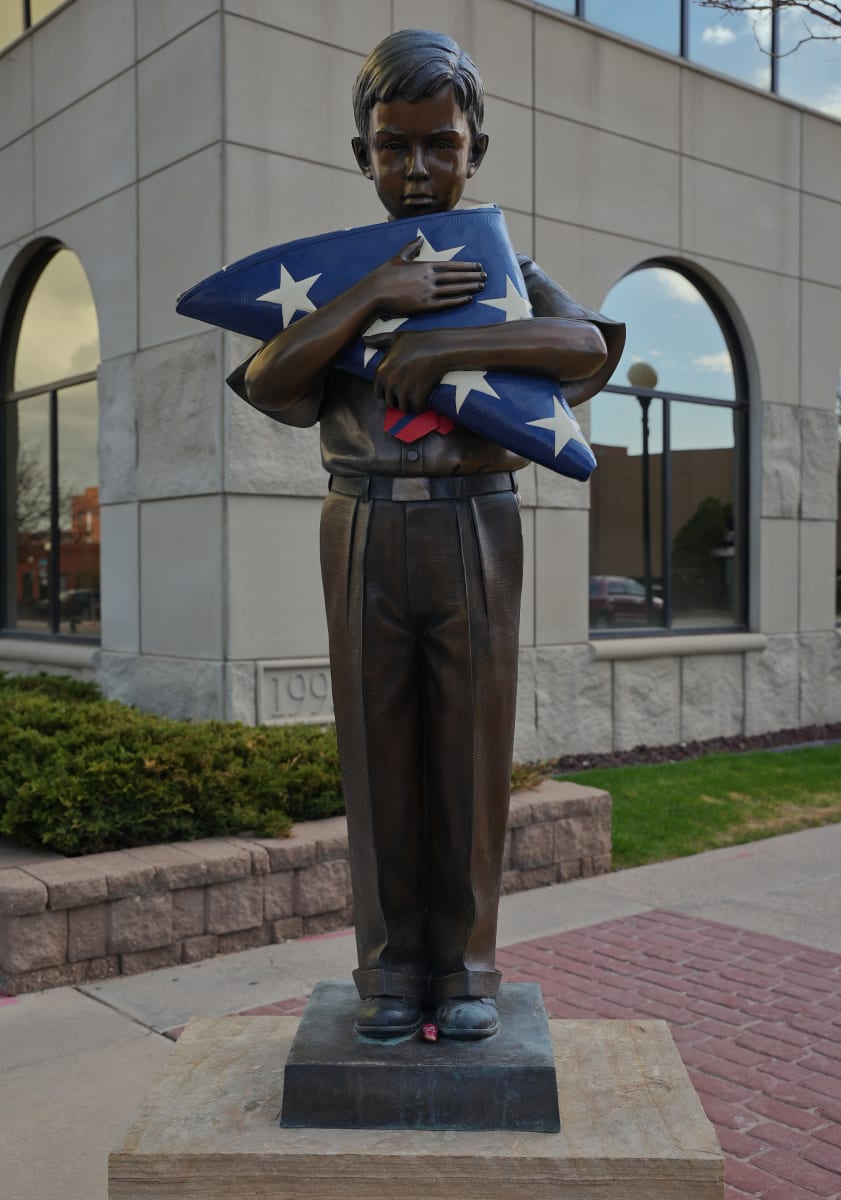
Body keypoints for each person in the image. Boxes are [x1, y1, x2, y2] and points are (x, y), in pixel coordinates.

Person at [232, 29, 624, 1040]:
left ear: (473, 149)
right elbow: (273, 383)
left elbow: (584, 349)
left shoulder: (502, 268)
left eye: (437, 145)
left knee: (471, 754)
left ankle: (467, 970)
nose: (415, 168)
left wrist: (450, 339)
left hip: (475, 526)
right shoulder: (334, 280)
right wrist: (374, 298)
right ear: (361, 154)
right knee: (377, 758)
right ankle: (390, 972)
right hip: (360, 520)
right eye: (393, 147)